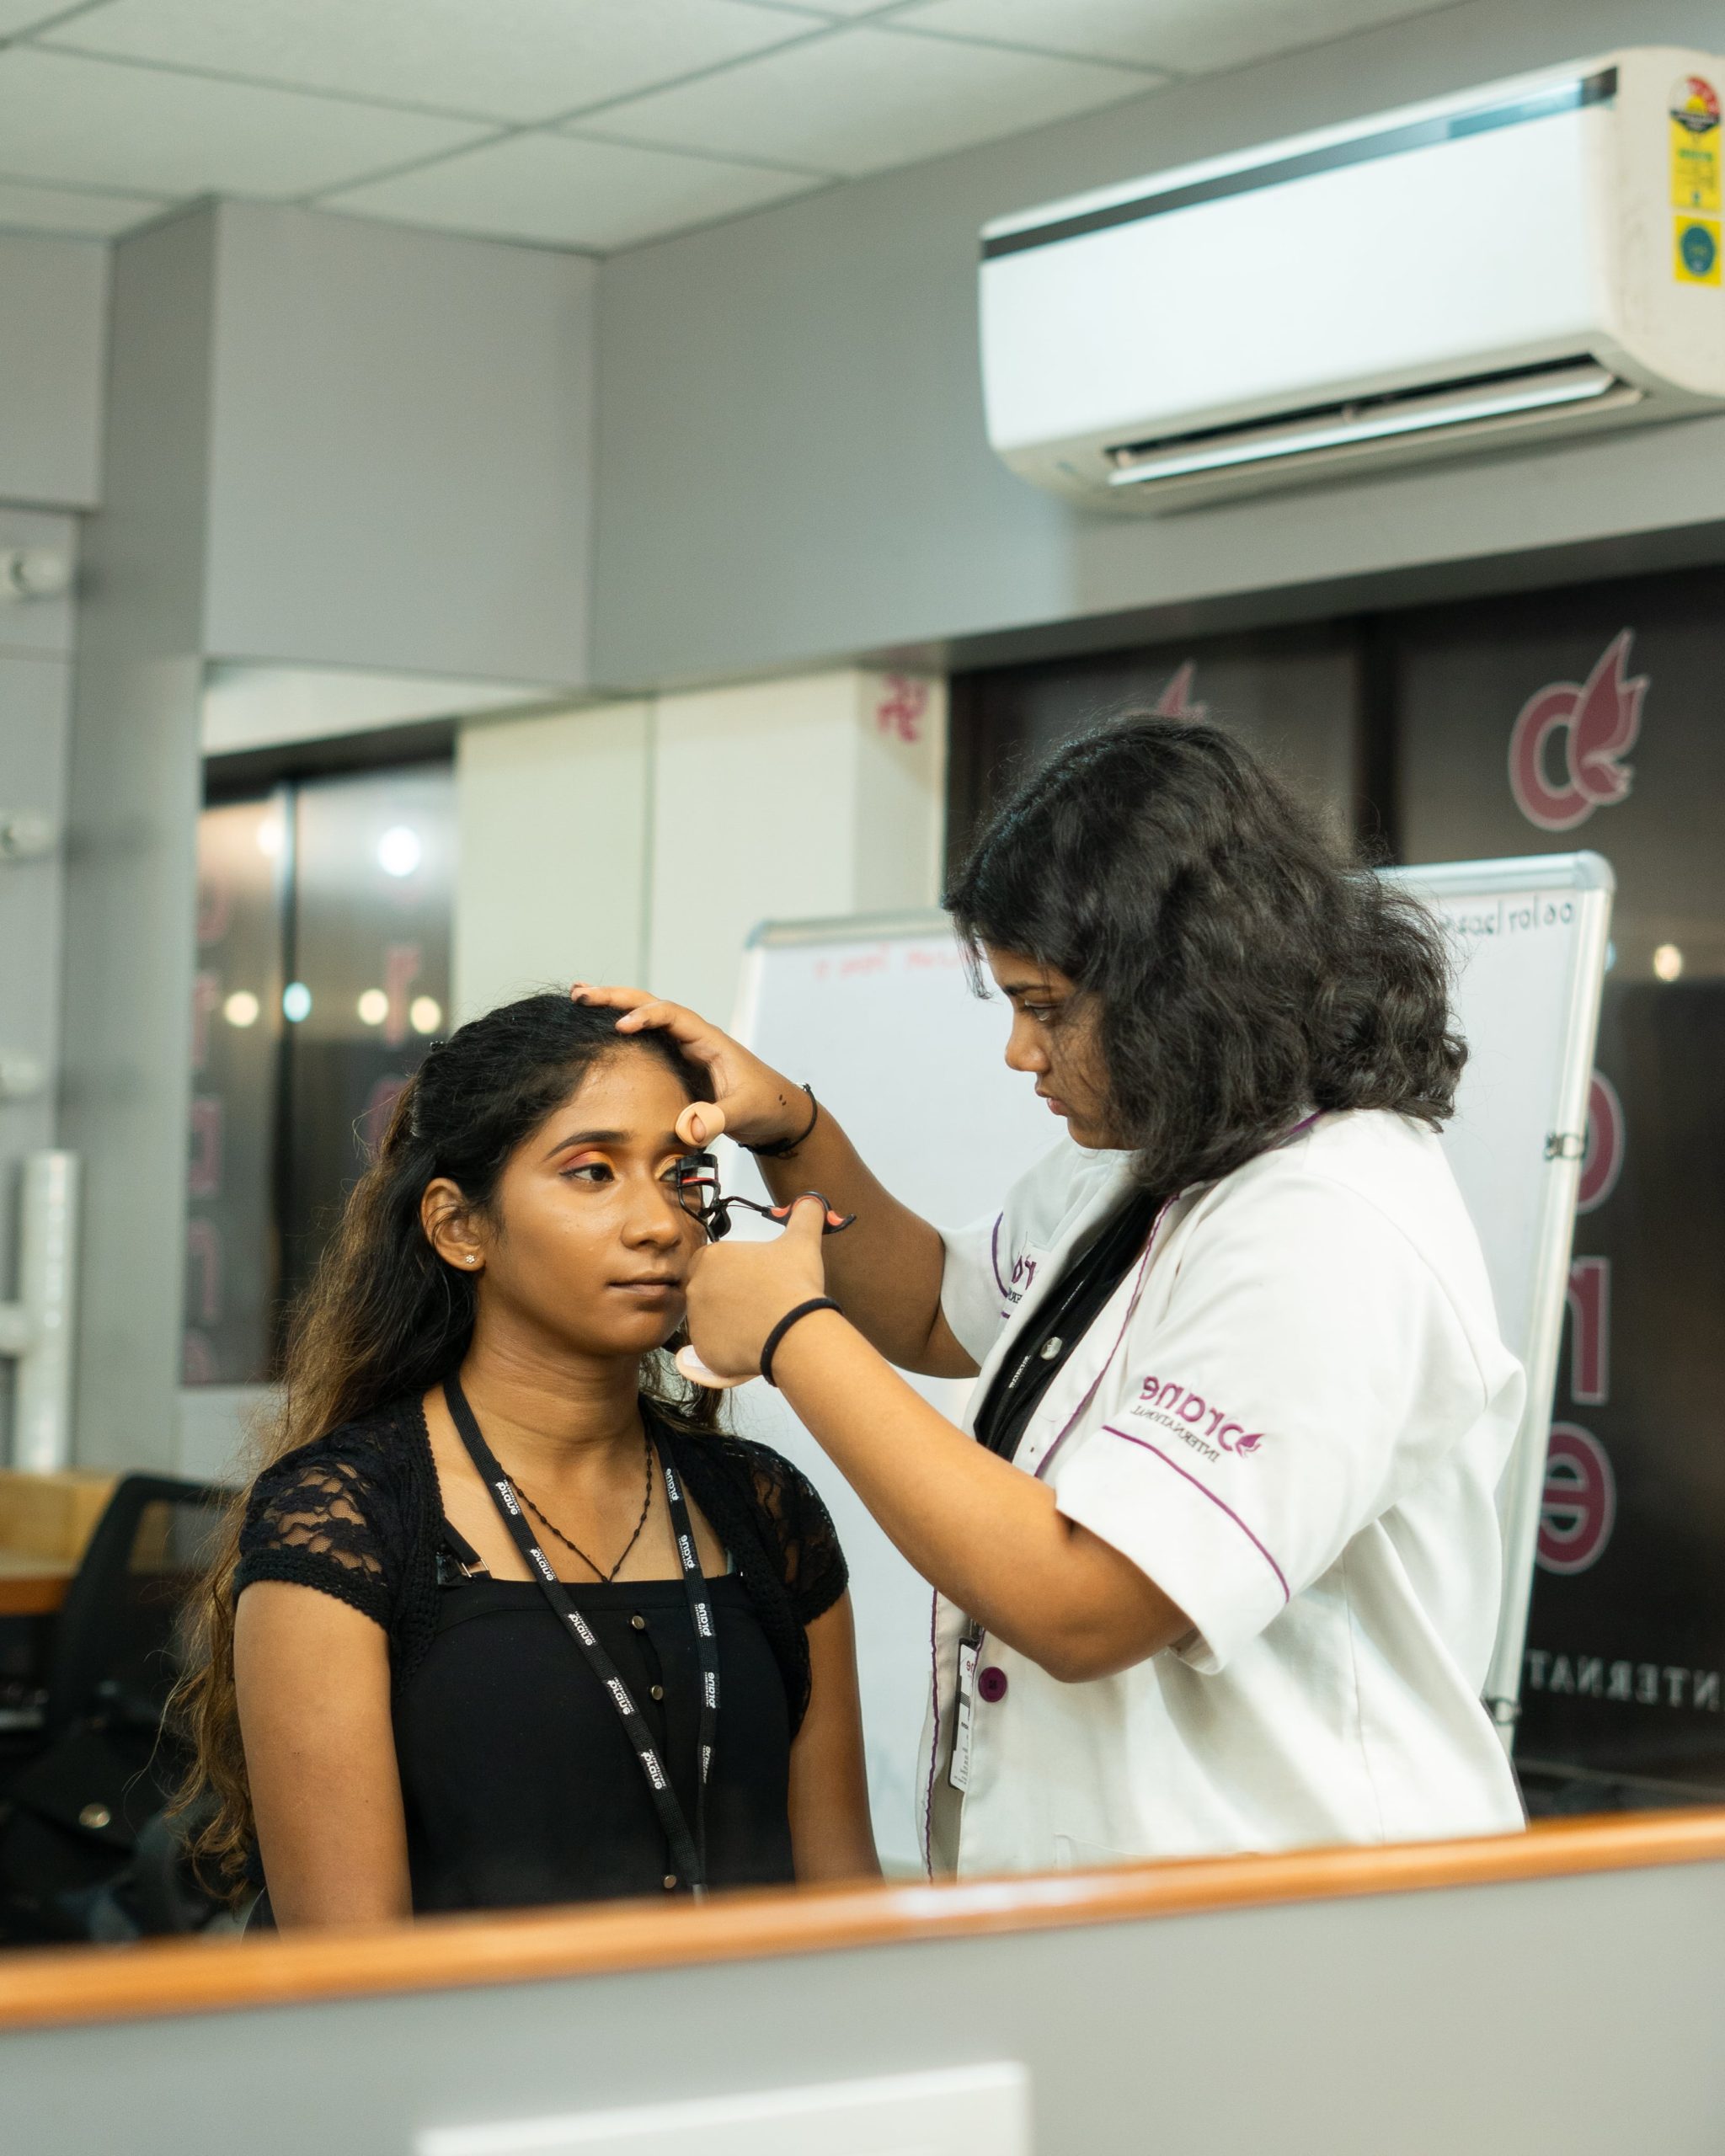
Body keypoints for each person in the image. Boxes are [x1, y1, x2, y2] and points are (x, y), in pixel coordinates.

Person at [575, 716, 1529, 1874]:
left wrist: (790, 1336)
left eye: (1048, 1009)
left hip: (1296, 1912)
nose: (1022, 1057)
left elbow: (1087, 1603)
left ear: (1189, 985)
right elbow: (938, 1309)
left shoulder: (1327, 1227)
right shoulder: (1162, 1152)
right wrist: (794, 1130)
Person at [174, 995, 878, 1927]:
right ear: (458, 1226)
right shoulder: (347, 1516)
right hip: (458, 2068)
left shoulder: (762, 1503)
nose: (661, 1223)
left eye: (683, 1176)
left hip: (743, 2061)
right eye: (591, 1172)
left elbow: (844, 1907)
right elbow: (350, 1968)